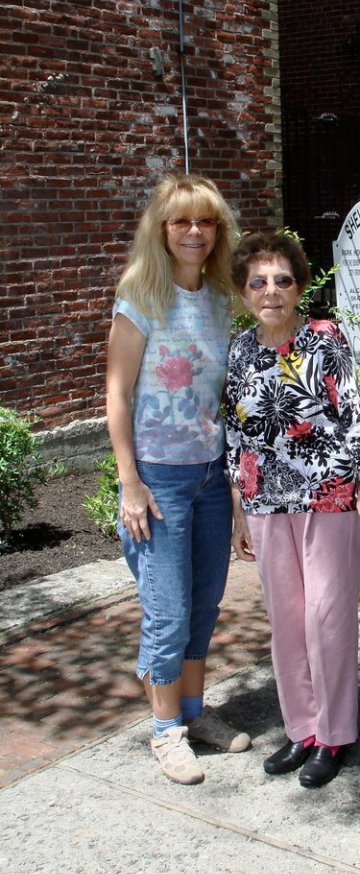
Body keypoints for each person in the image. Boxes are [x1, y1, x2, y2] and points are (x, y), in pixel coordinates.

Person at [225, 229, 360, 789]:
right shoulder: (240, 349)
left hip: (329, 497)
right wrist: (238, 509)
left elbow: (355, 413)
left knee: (326, 618)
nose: (271, 291)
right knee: (288, 623)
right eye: (259, 282)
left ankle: (335, 733)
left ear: (298, 287)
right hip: (266, 503)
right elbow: (235, 435)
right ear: (244, 292)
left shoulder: (325, 338)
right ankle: (301, 729)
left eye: (282, 280)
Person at [106, 172, 251, 786]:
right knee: (166, 613)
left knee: (202, 606)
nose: (195, 231)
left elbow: (229, 396)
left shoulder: (221, 300)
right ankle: (164, 734)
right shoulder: (140, 297)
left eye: (206, 221)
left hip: (211, 477)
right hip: (159, 481)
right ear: (162, 230)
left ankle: (192, 714)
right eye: (182, 221)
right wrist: (129, 482)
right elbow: (115, 394)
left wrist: (240, 495)